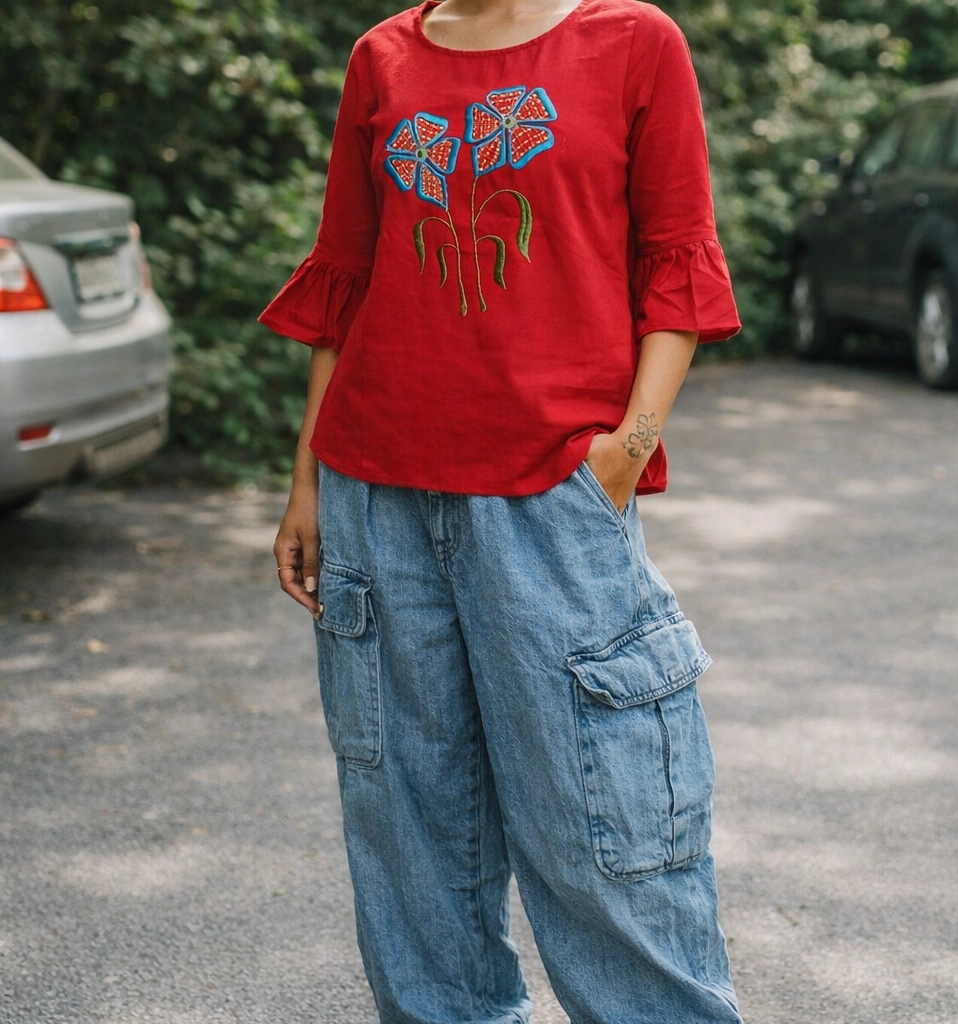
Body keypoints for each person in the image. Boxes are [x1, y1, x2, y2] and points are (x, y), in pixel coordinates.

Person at [260, 0, 744, 1020]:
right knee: (410, 844)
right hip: (374, 494)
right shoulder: (380, 57)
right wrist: (308, 480)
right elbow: (346, 277)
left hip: (551, 498)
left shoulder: (631, 42)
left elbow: (677, 260)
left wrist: (622, 455)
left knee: (603, 838)